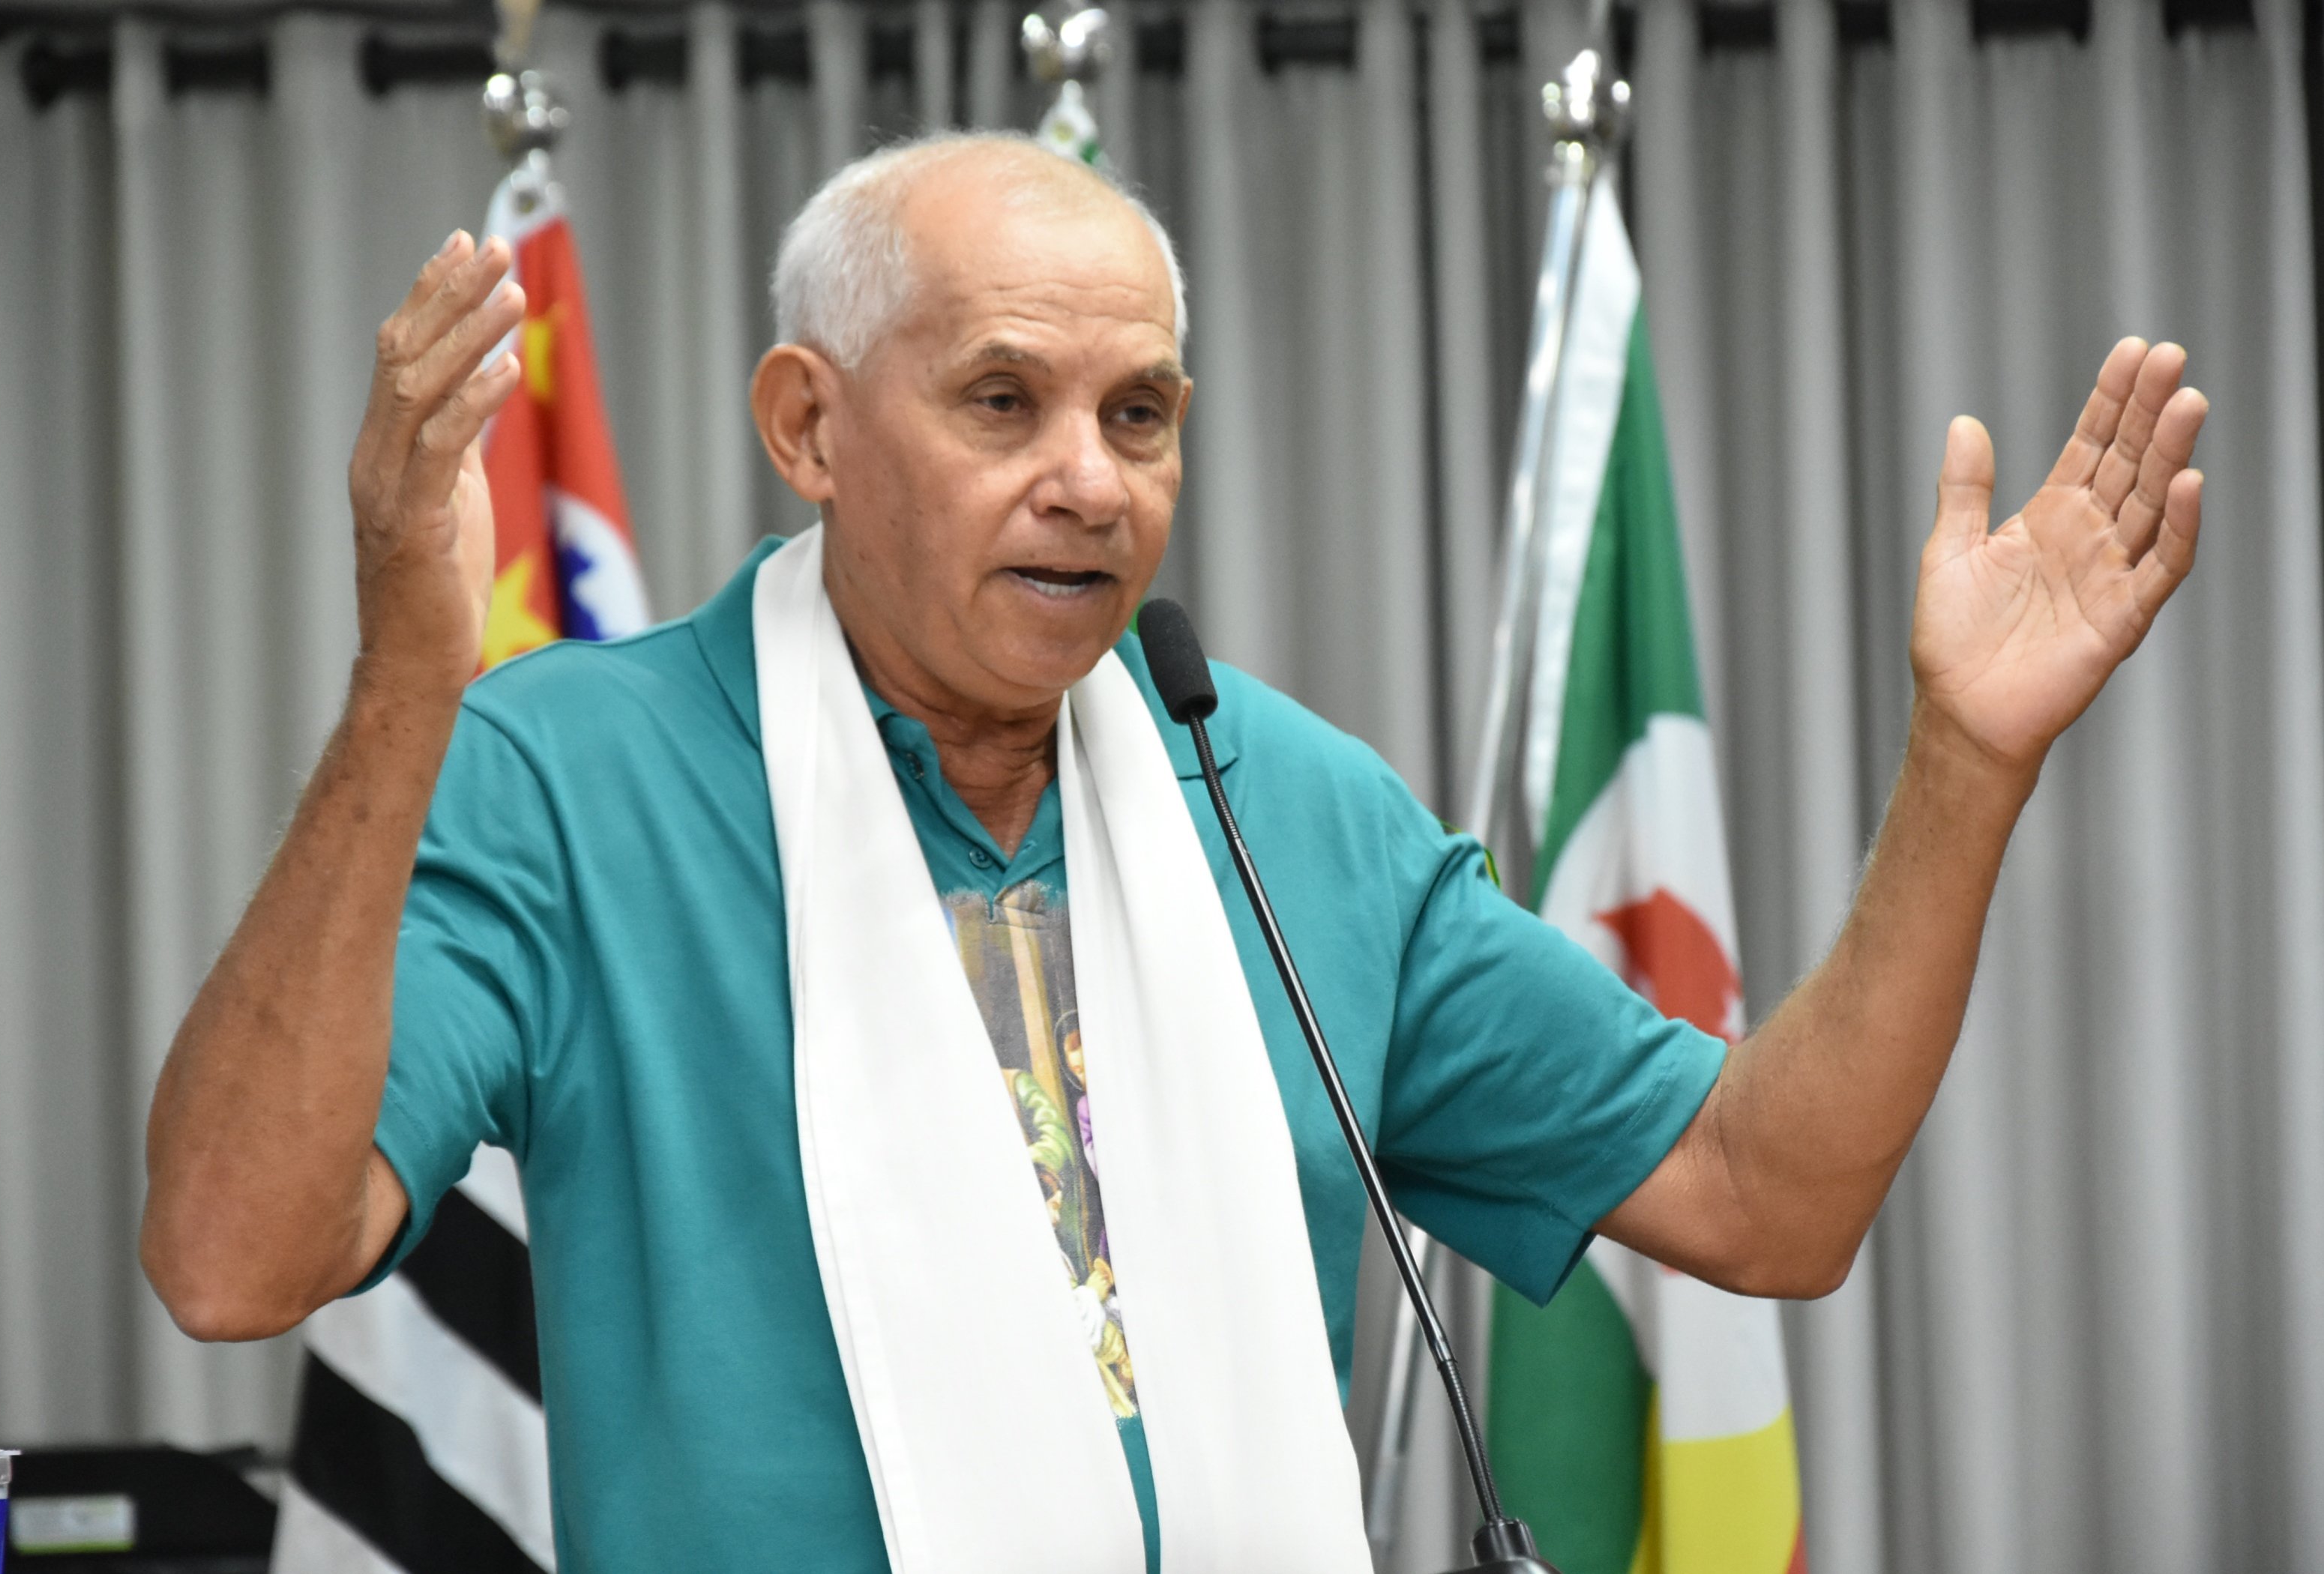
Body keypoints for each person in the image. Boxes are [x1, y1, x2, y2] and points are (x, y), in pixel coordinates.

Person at [139, 133, 2208, 1573]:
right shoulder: (568, 775)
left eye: (1138, 415)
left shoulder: (1272, 798)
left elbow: (1769, 1198)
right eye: (1002, 401)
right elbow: (232, 1256)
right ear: (808, 426)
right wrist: (405, 683)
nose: (1088, 482)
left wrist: (1964, 763)